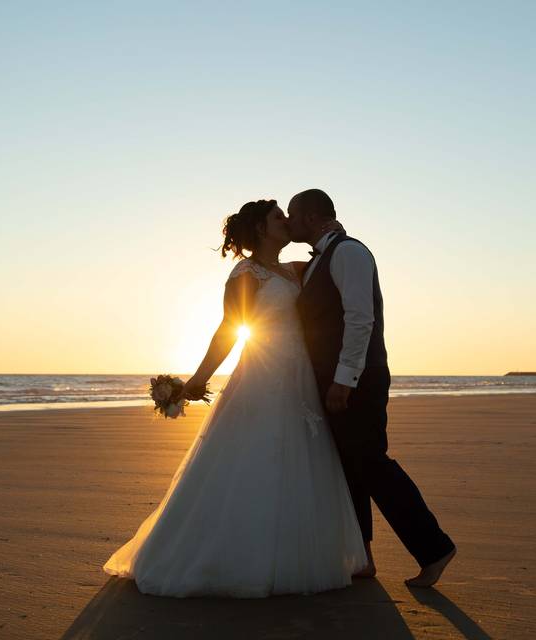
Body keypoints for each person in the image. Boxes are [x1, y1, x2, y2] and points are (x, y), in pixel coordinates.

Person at [102, 199, 366, 597]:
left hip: (301, 378)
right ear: (261, 229)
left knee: (300, 461)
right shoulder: (246, 275)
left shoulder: (297, 270)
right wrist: (197, 379)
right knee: (254, 458)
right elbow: (230, 329)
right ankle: (233, 558)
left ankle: (291, 554)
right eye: (279, 218)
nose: (287, 222)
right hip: (263, 374)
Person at [287, 188, 456, 587]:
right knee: (350, 468)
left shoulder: (349, 253)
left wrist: (344, 380)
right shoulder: (319, 260)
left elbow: (360, 319)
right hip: (334, 380)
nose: (289, 222)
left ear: (311, 217)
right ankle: (362, 556)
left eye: (292, 215)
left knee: (372, 463)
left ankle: (434, 548)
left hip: (356, 381)